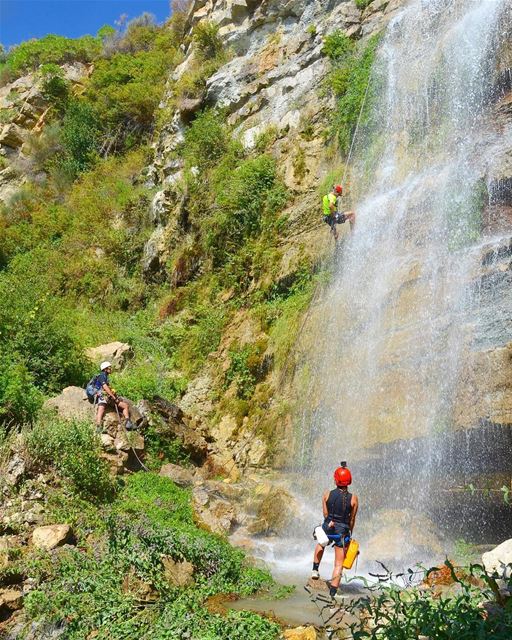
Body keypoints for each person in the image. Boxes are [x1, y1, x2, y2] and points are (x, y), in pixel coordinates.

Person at [311, 463, 358, 598]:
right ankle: (333, 593)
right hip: (342, 532)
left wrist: (329, 522)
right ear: (349, 481)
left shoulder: (327, 494)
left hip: (328, 527)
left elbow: (325, 514)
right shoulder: (353, 498)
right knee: (338, 564)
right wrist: (350, 532)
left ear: (336, 479)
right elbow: (352, 519)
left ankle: (315, 570)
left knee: (321, 544)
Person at [91, 361, 135, 433]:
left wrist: (114, 394)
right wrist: (113, 397)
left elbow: (108, 387)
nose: (111, 369)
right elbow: (105, 387)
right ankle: (99, 426)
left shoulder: (105, 376)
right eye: (109, 367)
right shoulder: (102, 376)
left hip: (104, 395)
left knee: (124, 406)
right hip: (102, 395)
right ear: (105, 369)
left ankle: (128, 422)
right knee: (102, 408)